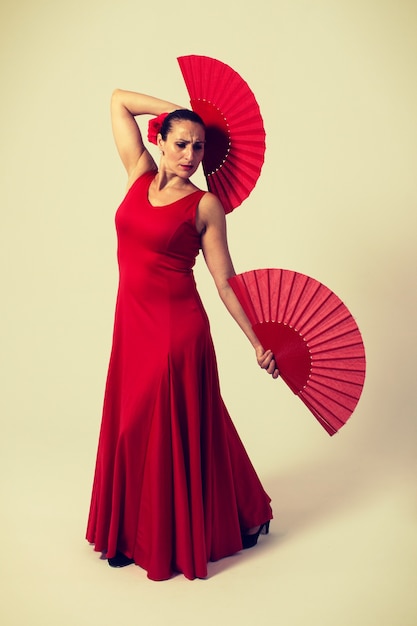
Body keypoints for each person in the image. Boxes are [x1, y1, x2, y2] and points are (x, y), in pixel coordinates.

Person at [86, 88, 279, 581]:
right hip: (130, 324)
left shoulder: (205, 205)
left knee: (163, 425)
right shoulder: (138, 173)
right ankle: (133, 532)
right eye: (182, 143)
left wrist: (258, 342)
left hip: (176, 329)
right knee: (131, 424)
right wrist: (174, 107)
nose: (191, 156)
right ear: (162, 140)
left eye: (199, 147)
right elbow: (117, 101)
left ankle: (158, 538)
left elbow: (224, 281)